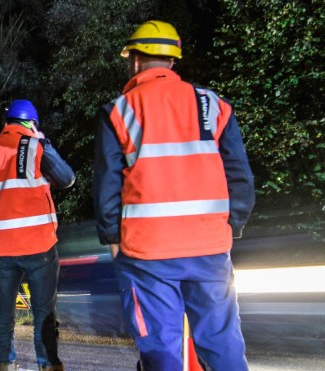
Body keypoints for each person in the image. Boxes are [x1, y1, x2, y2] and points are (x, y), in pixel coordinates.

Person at [93, 20, 255, 371]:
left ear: (135, 61)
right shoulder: (214, 107)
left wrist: (111, 237)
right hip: (210, 248)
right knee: (223, 344)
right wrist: (231, 225)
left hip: (147, 254)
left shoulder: (119, 112)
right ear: (172, 61)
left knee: (161, 350)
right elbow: (240, 177)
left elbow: (108, 186)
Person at [0, 99, 75, 371]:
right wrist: (45, 142)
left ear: (6, 124)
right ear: (31, 124)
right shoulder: (37, 147)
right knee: (43, 312)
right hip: (40, 246)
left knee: (3, 314)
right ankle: (48, 365)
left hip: (4, 249)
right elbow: (67, 178)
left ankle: (5, 365)